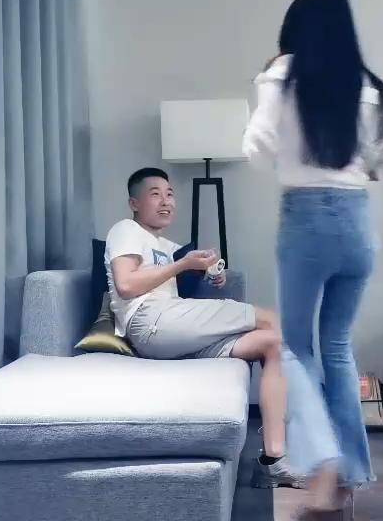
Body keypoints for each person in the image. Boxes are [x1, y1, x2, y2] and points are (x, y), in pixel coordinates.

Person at [243, 0, 383, 519]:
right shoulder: (373, 89)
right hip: (358, 223)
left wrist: (268, 88)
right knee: (338, 346)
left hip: (306, 220)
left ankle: (321, 461)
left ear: (295, 29)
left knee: (294, 347)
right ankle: (348, 475)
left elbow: (256, 149)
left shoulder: (283, 75)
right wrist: (361, 166)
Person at [105, 167, 301, 484]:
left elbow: (172, 277)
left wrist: (211, 273)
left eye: (170, 194)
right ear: (134, 203)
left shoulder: (165, 245)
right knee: (271, 318)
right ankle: (316, 417)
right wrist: (182, 264)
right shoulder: (126, 230)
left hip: (173, 331)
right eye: (155, 194)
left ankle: (273, 461)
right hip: (151, 321)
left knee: (272, 342)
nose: (166, 201)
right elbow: (126, 285)